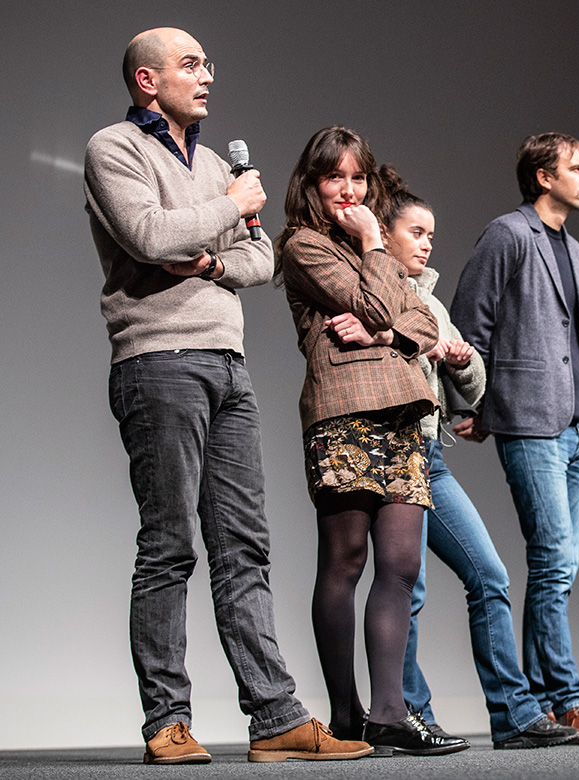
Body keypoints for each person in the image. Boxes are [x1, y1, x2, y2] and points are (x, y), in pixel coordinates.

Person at [84, 28, 371, 764]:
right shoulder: (114, 150)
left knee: (245, 545)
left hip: (228, 363)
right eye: (189, 65)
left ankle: (275, 716)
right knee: (170, 544)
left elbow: (255, 259)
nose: (206, 75)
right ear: (148, 81)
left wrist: (208, 254)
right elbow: (148, 235)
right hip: (158, 360)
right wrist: (229, 206)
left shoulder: (214, 163)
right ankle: (167, 722)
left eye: (208, 63)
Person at [333, 167, 579, 749]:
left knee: (489, 576)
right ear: (384, 234)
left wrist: (463, 360)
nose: (425, 243)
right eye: (415, 232)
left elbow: (470, 396)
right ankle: (407, 714)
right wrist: (404, 341)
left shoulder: (433, 304)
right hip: (392, 452)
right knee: (406, 587)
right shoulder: (370, 287)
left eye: (430, 236)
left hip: (430, 455)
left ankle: (514, 716)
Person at [275, 127, 466, 757]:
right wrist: (375, 251)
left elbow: (415, 321)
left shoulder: (370, 247)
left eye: (358, 178)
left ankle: (389, 712)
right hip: (345, 412)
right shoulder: (304, 246)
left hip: (406, 412)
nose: (349, 190)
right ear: (314, 183)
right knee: (346, 561)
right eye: (336, 177)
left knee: (402, 567)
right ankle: (346, 711)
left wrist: (384, 328)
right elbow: (387, 306)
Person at [449, 133, 579, 743]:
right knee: (552, 560)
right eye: (577, 167)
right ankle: (569, 699)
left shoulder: (576, 251)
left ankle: (542, 705)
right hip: (529, 422)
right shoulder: (508, 235)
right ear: (544, 177)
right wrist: (477, 403)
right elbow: (472, 322)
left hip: (575, 426)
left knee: (558, 568)